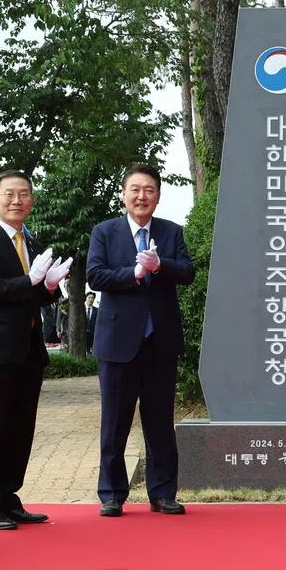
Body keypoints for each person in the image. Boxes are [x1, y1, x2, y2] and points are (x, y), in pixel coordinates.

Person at [87, 163, 194, 517]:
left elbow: (188, 272)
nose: (141, 196)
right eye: (135, 189)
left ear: (158, 197)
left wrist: (160, 265)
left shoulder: (171, 232)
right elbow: (95, 275)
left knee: (160, 421)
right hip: (118, 342)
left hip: (160, 343)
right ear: (124, 194)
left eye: (149, 190)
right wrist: (132, 273)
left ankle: (163, 492)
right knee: (115, 422)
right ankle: (112, 493)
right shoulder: (105, 232)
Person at [0, 170, 69, 530]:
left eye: (24, 194)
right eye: (9, 194)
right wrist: (30, 280)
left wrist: (50, 288)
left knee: (21, 426)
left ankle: (9, 497)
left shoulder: (34, 242)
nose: (17, 201)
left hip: (30, 346)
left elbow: (36, 294)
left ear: (32, 200)